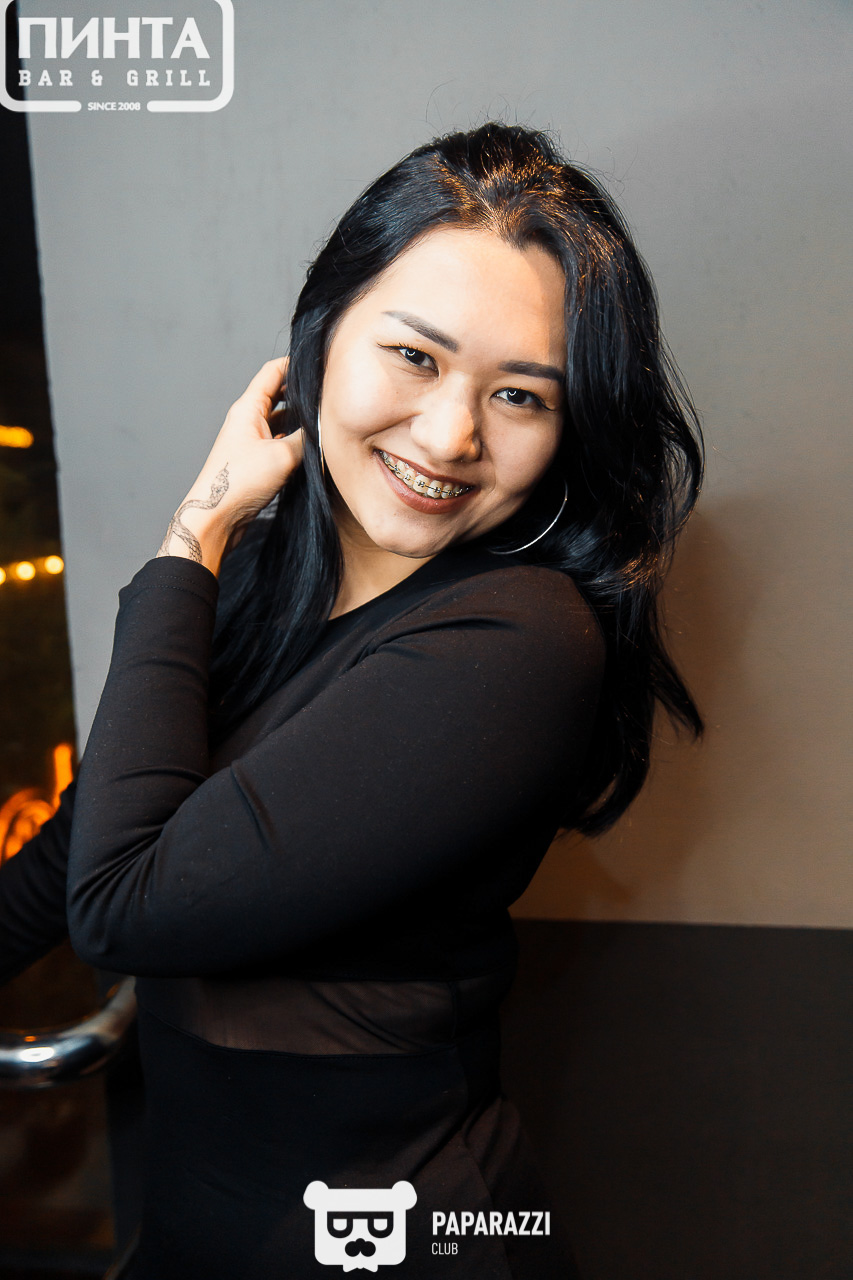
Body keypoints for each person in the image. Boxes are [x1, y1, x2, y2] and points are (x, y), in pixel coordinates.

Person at [0, 122, 703, 1277]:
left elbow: (123, 906)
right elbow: (82, 844)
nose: (451, 435)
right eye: (415, 356)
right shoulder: (262, 576)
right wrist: (219, 556)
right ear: (320, 334)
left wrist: (192, 531)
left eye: (519, 395)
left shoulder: (519, 640)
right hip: (192, 1227)